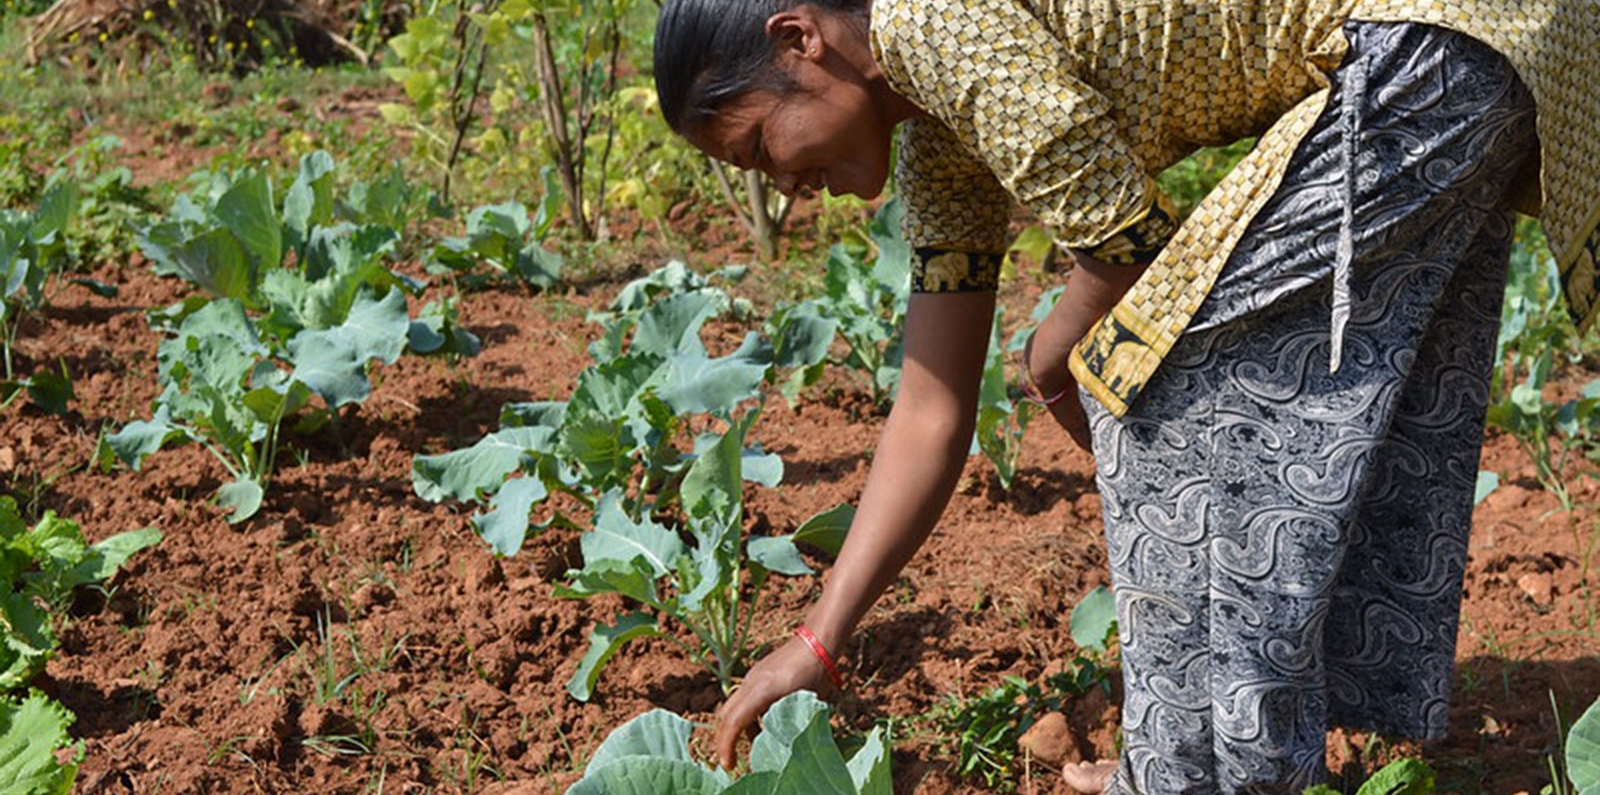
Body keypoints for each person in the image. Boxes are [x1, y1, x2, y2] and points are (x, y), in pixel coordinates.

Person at [652, 0, 1599, 791]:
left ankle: (1191, 768)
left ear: (797, 39)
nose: (784, 187)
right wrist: (816, 643)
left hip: (1427, 38)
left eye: (759, 149)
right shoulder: (935, 139)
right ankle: (1213, 751)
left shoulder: (931, 21)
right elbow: (931, 409)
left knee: (1156, 382)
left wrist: (1053, 354)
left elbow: (1128, 246)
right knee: (1325, 382)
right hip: (1477, 39)